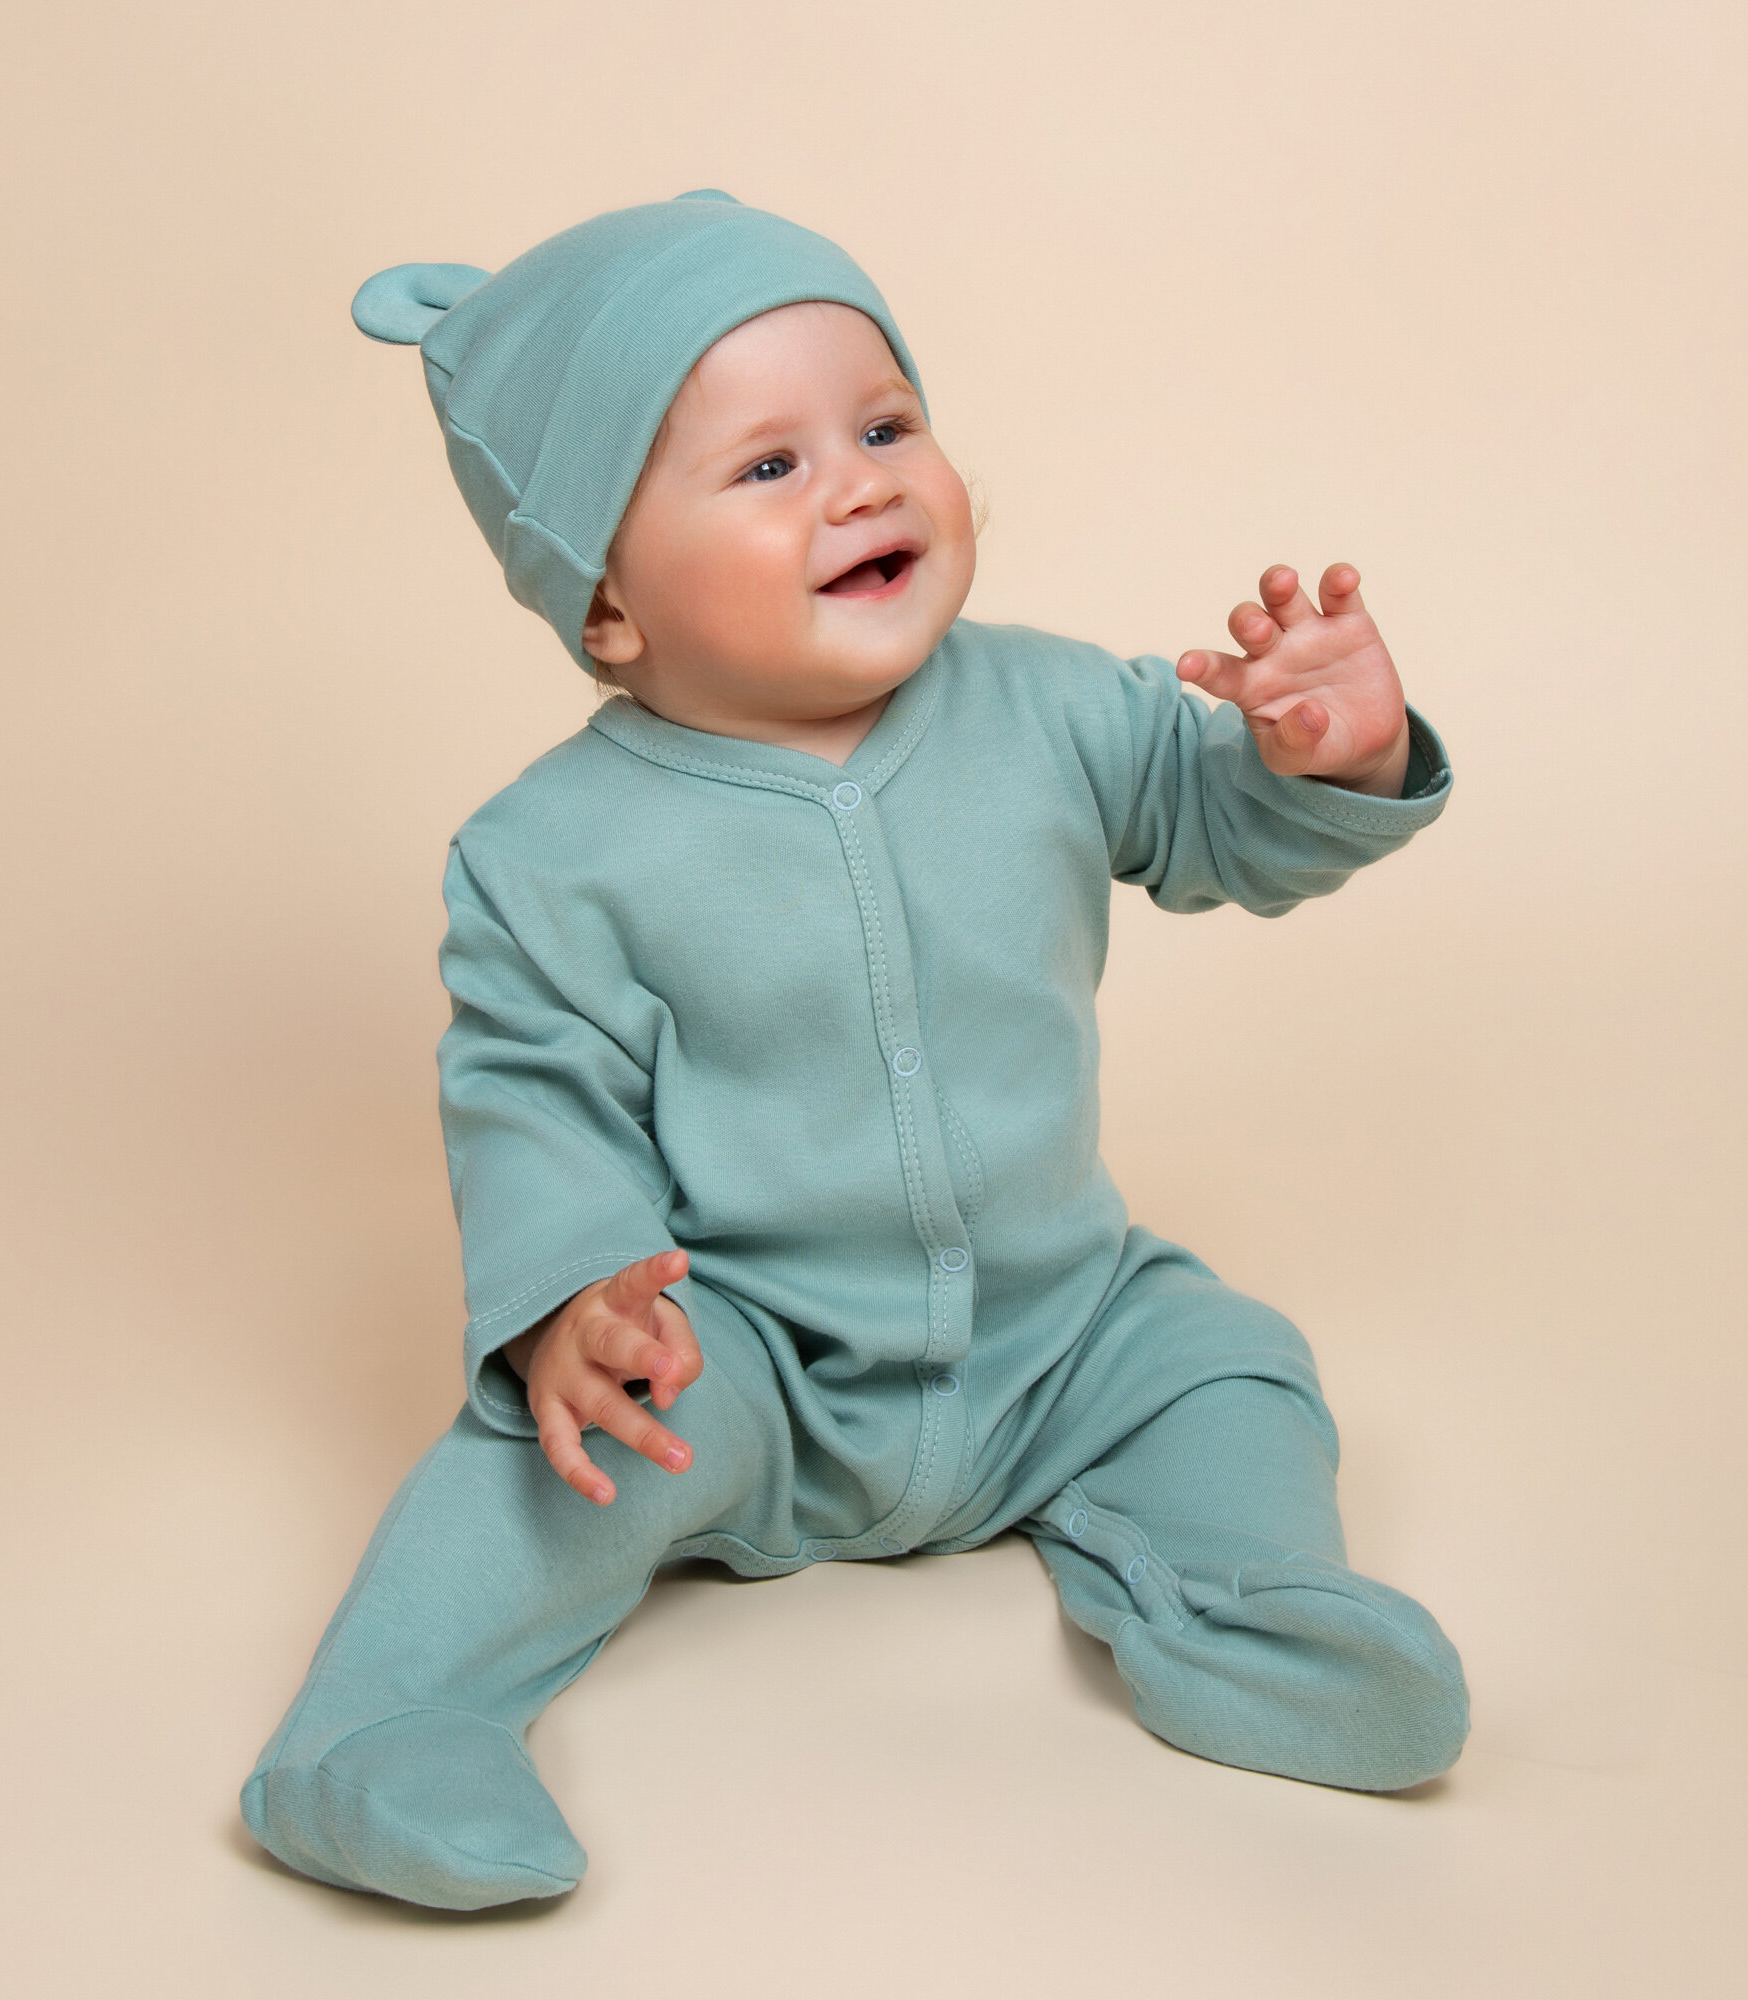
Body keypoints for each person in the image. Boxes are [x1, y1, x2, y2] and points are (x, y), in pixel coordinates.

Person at [240, 190, 1470, 1911]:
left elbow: (1223, 830)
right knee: (555, 1448)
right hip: (754, 1360)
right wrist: (576, 1298)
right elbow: (532, 1093)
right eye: (769, 467)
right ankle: (383, 1730)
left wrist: (1329, 753)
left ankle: (1234, 1599)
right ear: (608, 603)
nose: (862, 484)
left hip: (1062, 1328)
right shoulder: (548, 854)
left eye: (888, 427)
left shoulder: (1059, 708)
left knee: (1233, 1365)